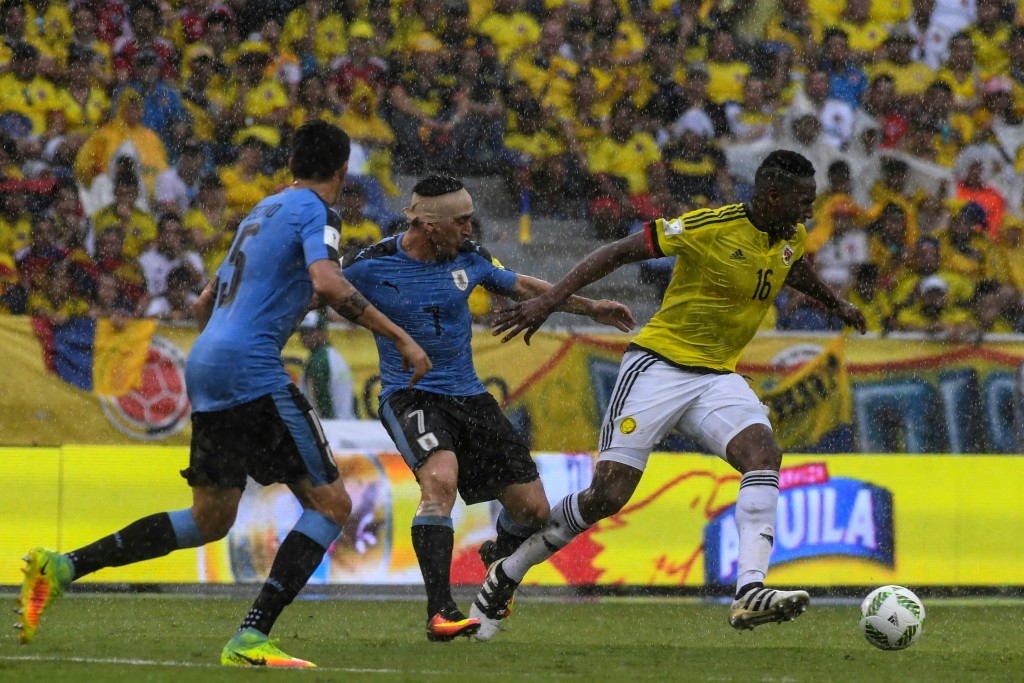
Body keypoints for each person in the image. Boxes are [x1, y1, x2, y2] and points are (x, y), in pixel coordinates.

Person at [17, 120, 431, 668]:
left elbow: (203, 302)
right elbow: (329, 283)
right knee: (332, 503)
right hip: (251, 368)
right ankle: (251, 635)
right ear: (341, 170)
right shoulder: (318, 212)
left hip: (207, 363)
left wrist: (254, 326)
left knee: (210, 518)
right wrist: (401, 337)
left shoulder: (262, 210)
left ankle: (62, 566)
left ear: (291, 164)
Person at [471, 150, 867, 640]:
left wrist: (836, 303)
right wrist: (550, 301)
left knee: (763, 455)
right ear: (770, 197)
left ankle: (749, 590)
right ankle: (508, 571)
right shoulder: (710, 226)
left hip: (716, 377)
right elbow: (618, 252)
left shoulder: (790, 235)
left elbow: (793, 267)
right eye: (803, 201)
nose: (810, 210)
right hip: (658, 367)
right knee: (607, 495)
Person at [341, 175, 635, 641]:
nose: (469, 228)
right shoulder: (369, 264)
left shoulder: (469, 256)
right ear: (430, 225)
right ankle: (441, 611)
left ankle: (499, 549)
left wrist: (589, 307)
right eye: (460, 221)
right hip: (410, 394)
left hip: (470, 396)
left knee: (534, 511)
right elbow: (318, 287)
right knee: (440, 482)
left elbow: (522, 285)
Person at [298, 310, 356, 420]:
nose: (304, 337)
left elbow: (321, 398)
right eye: (302, 332)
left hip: (333, 424)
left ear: (322, 332)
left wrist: (328, 422)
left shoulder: (319, 359)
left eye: (309, 332)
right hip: (348, 422)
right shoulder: (334, 355)